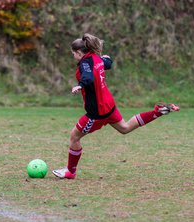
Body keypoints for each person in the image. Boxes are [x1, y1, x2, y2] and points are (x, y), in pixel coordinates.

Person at [52, 33, 179, 179]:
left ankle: (70, 172)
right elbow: (108, 63)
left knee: (74, 137)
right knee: (125, 128)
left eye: (73, 53)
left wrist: (80, 85)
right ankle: (157, 112)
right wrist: (107, 58)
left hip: (97, 112)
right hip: (109, 105)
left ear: (79, 53)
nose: (73, 56)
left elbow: (87, 76)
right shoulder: (95, 58)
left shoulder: (85, 63)